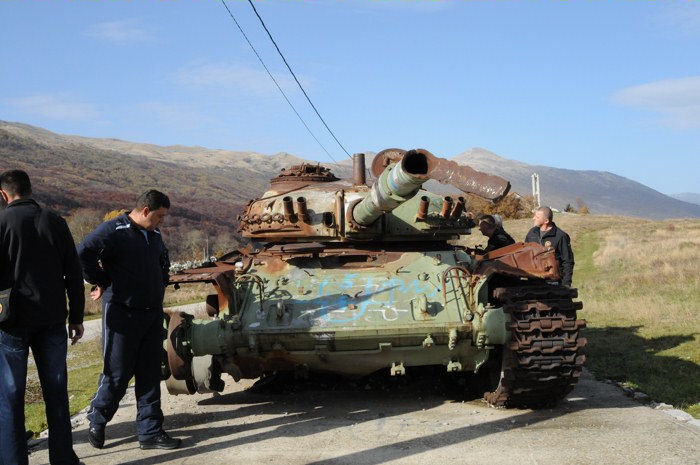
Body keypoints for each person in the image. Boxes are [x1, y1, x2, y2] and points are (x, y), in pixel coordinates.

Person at [78, 190, 181, 450]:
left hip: (151, 314)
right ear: (145, 210)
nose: (162, 222)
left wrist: (161, 280)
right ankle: (98, 419)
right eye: (159, 216)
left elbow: (162, 259)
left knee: (150, 374)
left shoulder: (154, 234)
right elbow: (83, 252)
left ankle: (150, 433)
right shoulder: (114, 230)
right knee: (117, 373)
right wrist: (101, 280)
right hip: (122, 313)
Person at [0, 170, 84, 465]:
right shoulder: (55, 221)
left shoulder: (2, 222)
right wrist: (76, 317)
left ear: (3, 194)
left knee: (10, 398)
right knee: (57, 394)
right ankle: (63, 459)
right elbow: (73, 272)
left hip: (12, 321)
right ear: (30, 189)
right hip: (52, 319)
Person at [525, 206, 574, 286]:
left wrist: (566, 285)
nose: (534, 218)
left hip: (553, 283)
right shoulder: (531, 233)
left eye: (537, 217)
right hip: (533, 282)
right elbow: (526, 256)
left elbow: (568, 261)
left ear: (546, 221)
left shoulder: (560, 236)